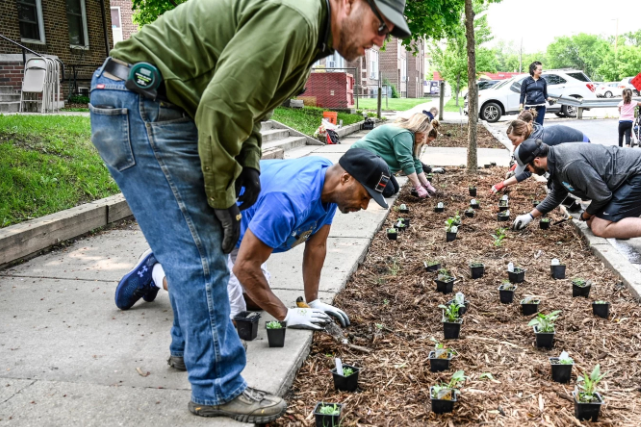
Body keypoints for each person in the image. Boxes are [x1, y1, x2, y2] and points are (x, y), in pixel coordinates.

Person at [90, 0, 410, 422]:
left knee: (197, 249)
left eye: (387, 33)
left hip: (158, 106)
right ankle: (218, 388)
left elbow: (250, 109)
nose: (378, 40)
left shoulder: (307, 34)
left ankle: (187, 350)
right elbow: (222, 106)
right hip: (142, 101)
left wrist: (251, 165)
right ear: (348, 3)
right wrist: (223, 199)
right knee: (202, 256)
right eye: (379, 25)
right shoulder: (296, 20)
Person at [118, 149, 390, 359]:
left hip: (239, 229)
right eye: (364, 196)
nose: (364, 206)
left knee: (256, 301)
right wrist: (287, 316)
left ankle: (172, 269)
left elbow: (316, 246)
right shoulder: (289, 199)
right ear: (345, 178)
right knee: (225, 311)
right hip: (206, 220)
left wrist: (313, 301)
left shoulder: (328, 186)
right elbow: (246, 268)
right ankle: (155, 272)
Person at [511, 139, 641, 239]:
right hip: (636, 173)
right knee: (593, 221)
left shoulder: (569, 164)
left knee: (600, 226)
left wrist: (586, 213)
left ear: (537, 161)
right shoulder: (555, 160)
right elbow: (556, 196)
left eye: (528, 168)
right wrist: (530, 216)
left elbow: (602, 196)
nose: (529, 172)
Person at [489, 110, 589, 194]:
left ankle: (581, 196)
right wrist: (514, 167)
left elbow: (527, 172)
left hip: (582, 146)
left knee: (558, 181)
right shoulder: (530, 131)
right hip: (575, 143)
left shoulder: (536, 143)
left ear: (522, 135)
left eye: (514, 141)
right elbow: (525, 162)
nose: (514, 146)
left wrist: (502, 184)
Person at [351, 113, 436, 198]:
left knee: (395, 188)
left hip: (374, 163)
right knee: (388, 191)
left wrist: (426, 185)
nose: (424, 137)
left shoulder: (410, 136)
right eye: (423, 133)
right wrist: (418, 187)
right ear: (417, 129)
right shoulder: (403, 135)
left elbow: (415, 162)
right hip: (361, 159)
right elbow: (406, 163)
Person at [518, 61, 556, 126]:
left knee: (539, 126)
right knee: (528, 125)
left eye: (541, 69)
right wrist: (521, 105)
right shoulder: (526, 81)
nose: (541, 71)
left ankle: (538, 136)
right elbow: (522, 94)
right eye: (539, 70)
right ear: (534, 70)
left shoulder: (543, 81)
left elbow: (545, 94)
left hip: (541, 106)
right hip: (529, 107)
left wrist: (549, 99)